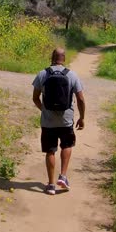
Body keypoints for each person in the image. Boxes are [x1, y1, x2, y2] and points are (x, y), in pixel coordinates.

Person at [32, 48, 85, 195]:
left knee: (50, 150)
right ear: (64, 58)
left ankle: (50, 185)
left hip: (48, 122)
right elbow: (80, 99)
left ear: (52, 57)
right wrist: (82, 117)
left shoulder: (43, 74)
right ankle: (62, 176)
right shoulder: (72, 75)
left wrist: (44, 110)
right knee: (67, 145)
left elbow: (35, 97)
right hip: (66, 120)